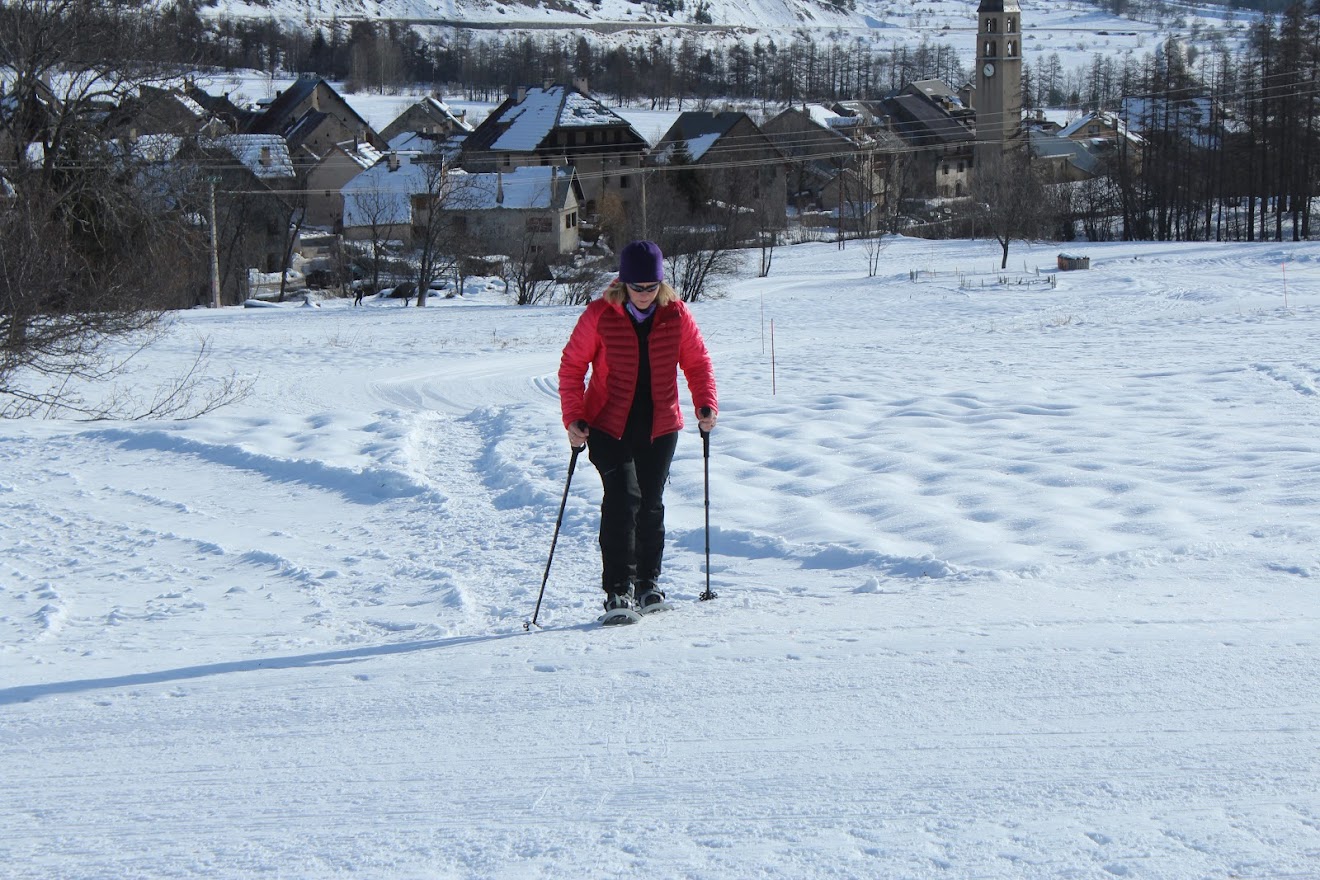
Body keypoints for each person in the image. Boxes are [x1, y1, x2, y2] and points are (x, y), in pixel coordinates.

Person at [558, 240, 718, 616]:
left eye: (651, 287)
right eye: (637, 287)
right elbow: (571, 368)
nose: (645, 295)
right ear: (623, 283)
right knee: (623, 499)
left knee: (650, 502)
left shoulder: (676, 315)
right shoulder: (600, 314)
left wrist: (705, 404)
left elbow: (698, 363)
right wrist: (573, 417)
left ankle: (648, 584)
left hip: (659, 425)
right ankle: (617, 590)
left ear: (661, 284)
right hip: (607, 425)